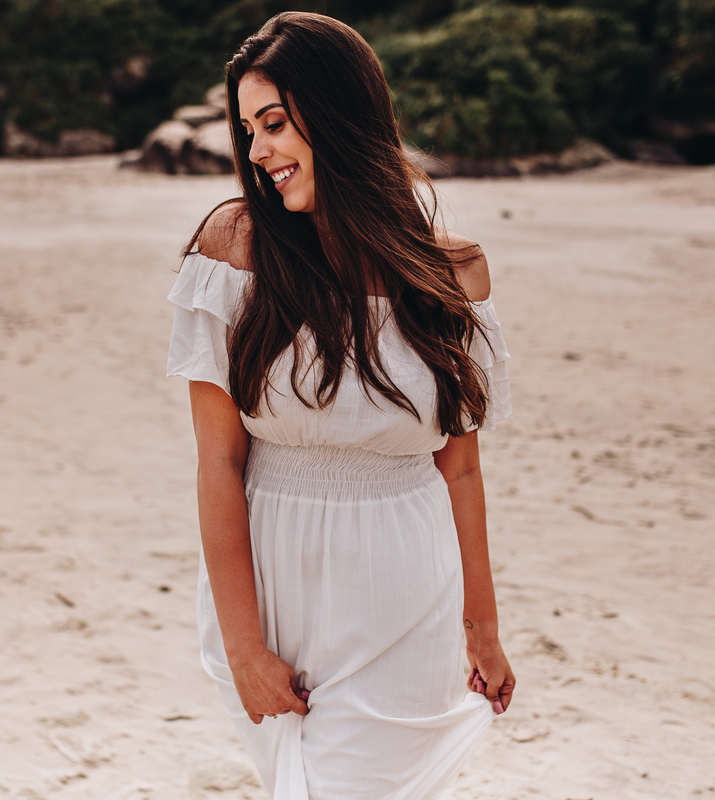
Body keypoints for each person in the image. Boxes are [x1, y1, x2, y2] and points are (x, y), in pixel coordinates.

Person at [166, 12, 514, 799]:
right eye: (249, 129)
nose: (258, 153)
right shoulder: (234, 252)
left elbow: (459, 469)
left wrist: (482, 630)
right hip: (267, 594)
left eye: (277, 124)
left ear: (342, 115)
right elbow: (219, 460)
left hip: (403, 594)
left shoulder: (450, 274)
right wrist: (246, 646)